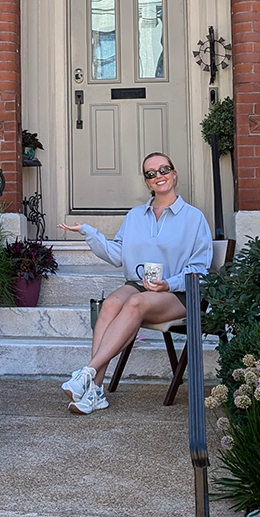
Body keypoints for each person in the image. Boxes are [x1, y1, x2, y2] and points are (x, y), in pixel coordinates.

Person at [58, 152, 213, 415]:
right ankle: (95, 389)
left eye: (164, 169)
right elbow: (118, 254)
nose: (158, 176)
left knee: (135, 303)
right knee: (109, 305)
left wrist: (169, 283)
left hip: (179, 292)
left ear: (174, 173)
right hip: (141, 284)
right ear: (147, 182)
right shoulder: (135, 217)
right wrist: (89, 232)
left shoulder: (193, 218)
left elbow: (199, 269)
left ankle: (88, 373)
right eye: (151, 173)